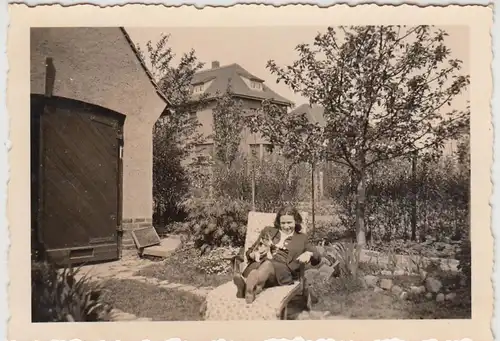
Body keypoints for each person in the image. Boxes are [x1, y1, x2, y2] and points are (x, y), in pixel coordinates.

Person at [232, 205, 322, 303]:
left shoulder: (301, 238)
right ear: (279, 222)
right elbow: (250, 250)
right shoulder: (268, 231)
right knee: (264, 267)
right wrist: (252, 254)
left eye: (289, 222)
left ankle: (248, 285)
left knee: (268, 264)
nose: (286, 226)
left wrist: (309, 254)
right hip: (259, 264)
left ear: (296, 221)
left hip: (283, 270)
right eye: (283, 223)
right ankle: (253, 289)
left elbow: (316, 256)